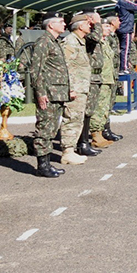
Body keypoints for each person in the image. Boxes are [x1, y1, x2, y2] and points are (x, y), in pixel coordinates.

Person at [29, 12, 70, 178]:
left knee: (51, 129)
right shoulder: (44, 42)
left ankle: (47, 164)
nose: (64, 24)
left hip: (57, 93)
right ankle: (42, 166)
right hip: (48, 94)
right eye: (61, 21)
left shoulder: (54, 42)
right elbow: (35, 70)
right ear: (51, 25)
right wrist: (40, 93)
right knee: (44, 129)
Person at [59, 14, 93, 165]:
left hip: (81, 88)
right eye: (87, 23)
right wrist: (70, 89)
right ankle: (67, 152)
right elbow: (65, 66)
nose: (90, 25)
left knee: (77, 120)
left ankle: (70, 150)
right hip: (75, 89)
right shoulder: (71, 42)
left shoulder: (80, 41)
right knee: (71, 119)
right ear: (80, 26)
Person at [77, 10, 105, 157]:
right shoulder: (85, 33)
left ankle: (84, 141)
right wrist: (98, 23)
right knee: (85, 111)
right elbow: (95, 38)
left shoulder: (91, 31)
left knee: (89, 111)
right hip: (88, 77)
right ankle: (82, 143)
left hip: (95, 76)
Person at [90, 18, 118, 148]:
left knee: (105, 108)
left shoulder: (105, 42)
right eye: (105, 26)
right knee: (99, 108)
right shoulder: (96, 43)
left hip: (108, 79)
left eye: (108, 26)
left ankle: (100, 132)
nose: (108, 28)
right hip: (100, 79)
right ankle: (95, 135)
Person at [115, 0, 137, 73]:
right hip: (126, 28)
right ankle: (124, 67)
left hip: (122, 28)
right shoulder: (124, 2)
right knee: (126, 49)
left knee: (123, 49)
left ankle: (123, 66)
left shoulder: (120, 2)